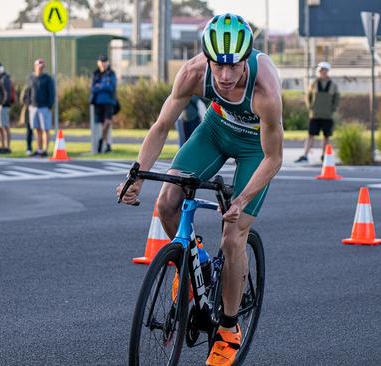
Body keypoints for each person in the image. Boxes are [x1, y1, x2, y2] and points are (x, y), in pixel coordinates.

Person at [117, 14, 283, 366]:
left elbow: (274, 158)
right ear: (207, 58)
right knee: (166, 203)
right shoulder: (193, 73)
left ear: (246, 58)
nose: (224, 76)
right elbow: (162, 125)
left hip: (256, 148)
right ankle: (195, 266)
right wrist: (139, 175)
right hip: (215, 129)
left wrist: (241, 199)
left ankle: (228, 329)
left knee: (234, 234)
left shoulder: (265, 89)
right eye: (217, 65)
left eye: (233, 66)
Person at [295, 61, 340, 163]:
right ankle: (305, 155)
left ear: (327, 71)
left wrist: (332, 110)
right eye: (320, 70)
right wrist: (311, 107)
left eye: (324, 70)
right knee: (311, 134)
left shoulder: (333, 85)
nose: (322, 72)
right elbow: (308, 97)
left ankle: (324, 155)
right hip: (315, 115)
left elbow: (336, 99)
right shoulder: (314, 83)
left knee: (326, 136)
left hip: (327, 115)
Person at [25, 59, 55, 157]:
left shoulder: (47, 78)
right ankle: (39, 149)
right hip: (33, 107)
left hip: (44, 107)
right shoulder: (31, 77)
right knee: (37, 129)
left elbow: (51, 93)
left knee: (45, 129)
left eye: (42, 67)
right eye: (39, 66)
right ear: (35, 66)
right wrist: (28, 104)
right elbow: (28, 91)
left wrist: (50, 105)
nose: (40, 68)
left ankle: (45, 150)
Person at [90, 55, 117, 153]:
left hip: (109, 102)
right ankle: (107, 144)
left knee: (108, 122)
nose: (103, 63)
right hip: (98, 102)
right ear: (98, 63)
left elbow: (111, 87)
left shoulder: (111, 73)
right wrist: (104, 85)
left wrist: (100, 86)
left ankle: (102, 140)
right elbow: (93, 88)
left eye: (105, 61)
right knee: (102, 124)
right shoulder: (95, 74)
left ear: (107, 62)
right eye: (101, 61)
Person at [0, 62, 13, 154]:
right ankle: (2, 146)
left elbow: (7, 94)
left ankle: (7, 147)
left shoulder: (4, 79)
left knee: (5, 127)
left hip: (3, 107)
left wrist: (2, 105)